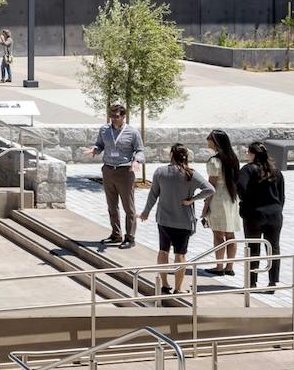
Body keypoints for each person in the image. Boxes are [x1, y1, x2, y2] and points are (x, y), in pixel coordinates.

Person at [139, 144, 215, 295]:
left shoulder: (160, 172)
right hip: (183, 221)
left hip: (164, 220)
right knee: (180, 254)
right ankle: (178, 288)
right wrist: (192, 199)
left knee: (163, 251)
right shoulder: (190, 174)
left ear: (172, 155)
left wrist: (146, 212)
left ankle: (165, 284)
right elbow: (210, 189)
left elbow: (153, 194)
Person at [89, 103, 144, 248]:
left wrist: (137, 161)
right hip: (108, 170)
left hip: (124, 171)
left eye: (116, 116)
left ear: (124, 117)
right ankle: (115, 234)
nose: (113, 119)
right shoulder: (104, 130)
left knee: (128, 207)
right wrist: (95, 149)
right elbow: (100, 144)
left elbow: (140, 150)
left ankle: (130, 237)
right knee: (112, 205)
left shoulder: (132, 132)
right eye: (111, 116)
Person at [237, 139, 287, 289]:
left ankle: (252, 281)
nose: (247, 154)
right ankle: (273, 281)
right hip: (274, 215)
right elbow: (282, 195)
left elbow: (240, 188)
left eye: (248, 152)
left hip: (254, 214)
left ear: (253, 154)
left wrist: (245, 204)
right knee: (274, 247)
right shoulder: (276, 171)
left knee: (253, 247)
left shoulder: (248, 169)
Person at [200, 129, 242, 276]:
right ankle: (229, 267)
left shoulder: (214, 161)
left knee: (218, 234)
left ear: (216, 141)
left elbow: (211, 186)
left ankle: (219, 266)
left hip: (218, 200)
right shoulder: (233, 159)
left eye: (210, 138)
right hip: (231, 199)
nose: (207, 140)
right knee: (230, 235)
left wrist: (205, 206)